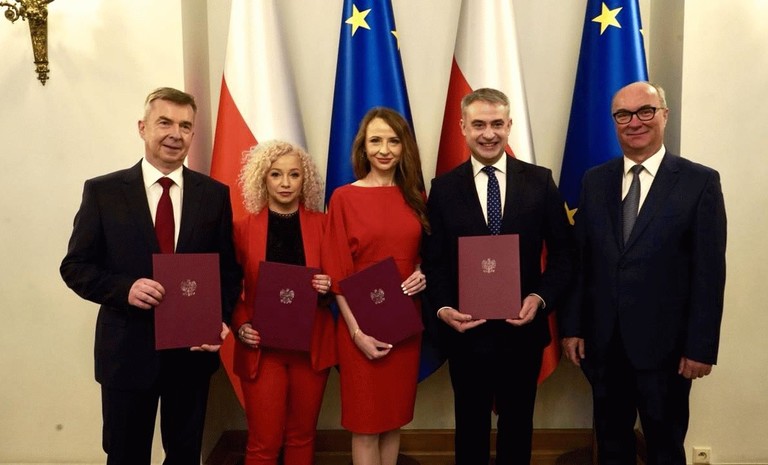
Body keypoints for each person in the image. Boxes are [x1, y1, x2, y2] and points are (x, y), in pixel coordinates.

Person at [60, 87, 243, 465]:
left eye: (185, 126)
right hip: (126, 354)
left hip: (191, 355)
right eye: (165, 123)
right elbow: (75, 266)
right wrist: (124, 288)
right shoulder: (103, 192)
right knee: (126, 455)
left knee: (184, 455)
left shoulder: (213, 195)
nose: (175, 134)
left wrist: (220, 319)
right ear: (142, 127)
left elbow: (227, 268)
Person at [559, 81, 727, 465]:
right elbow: (582, 261)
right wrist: (573, 327)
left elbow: (709, 273)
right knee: (611, 446)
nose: (634, 122)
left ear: (664, 115)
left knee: (665, 448)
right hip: (603, 346)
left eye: (645, 111)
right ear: (614, 122)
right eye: (623, 115)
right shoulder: (594, 180)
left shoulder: (699, 182)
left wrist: (700, 347)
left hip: (667, 350)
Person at [420, 88, 574, 465]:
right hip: (466, 333)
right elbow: (434, 261)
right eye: (478, 125)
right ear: (463, 127)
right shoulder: (443, 188)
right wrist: (443, 308)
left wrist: (539, 298)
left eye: (496, 124)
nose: (488, 133)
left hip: (522, 330)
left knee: (517, 427)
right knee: (470, 428)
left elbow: (565, 253)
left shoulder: (539, 181)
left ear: (509, 125)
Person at [322, 107, 428, 465]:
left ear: (404, 147)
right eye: (376, 141)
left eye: (393, 141)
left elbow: (422, 253)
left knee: (393, 420)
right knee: (366, 425)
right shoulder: (343, 198)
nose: (384, 149)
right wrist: (356, 334)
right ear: (363, 148)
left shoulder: (416, 196)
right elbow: (337, 272)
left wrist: (421, 271)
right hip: (360, 325)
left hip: (405, 323)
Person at [231, 140, 336, 465]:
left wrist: (327, 285)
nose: (286, 183)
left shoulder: (323, 224)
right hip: (262, 349)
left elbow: (339, 278)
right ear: (263, 178)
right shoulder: (242, 229)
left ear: (305, 179)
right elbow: (229, 287)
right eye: (276, 174)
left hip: (311, 345)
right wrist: (240, 325)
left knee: (302, 437)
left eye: (294, 174)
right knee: (264, 442)